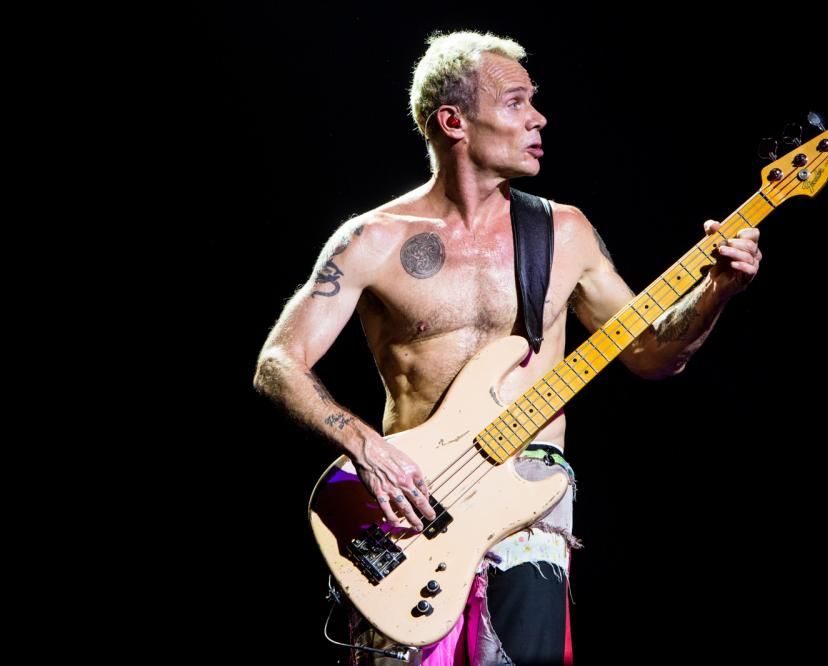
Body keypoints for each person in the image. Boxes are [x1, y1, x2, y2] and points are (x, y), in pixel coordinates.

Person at [253, 30, 762, 665]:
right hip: (413, 516)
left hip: (529, 506)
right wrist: (367, 448)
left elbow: (652, 355)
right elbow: (278, 363)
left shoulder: (564, 232)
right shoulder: (373, 240)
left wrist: (715, 291)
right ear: (454, 122)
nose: (538, 118)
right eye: (516, 102)